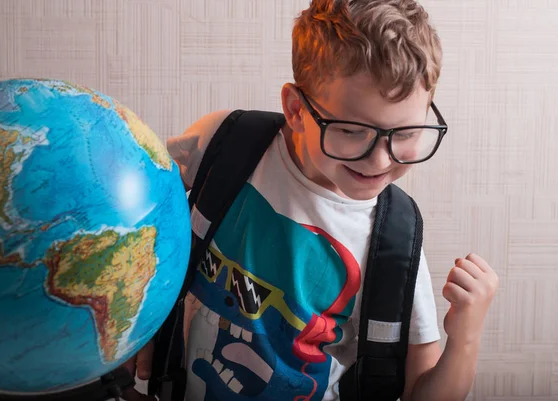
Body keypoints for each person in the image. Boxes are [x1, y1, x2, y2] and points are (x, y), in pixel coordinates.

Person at [123, 1, 499, 400]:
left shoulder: (395, 245)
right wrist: (133, 322)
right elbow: (135, 218)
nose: (380, 159)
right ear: (296, 109)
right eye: (352, 131)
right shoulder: (224, 144)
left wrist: (466, 337)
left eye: (406, 133)